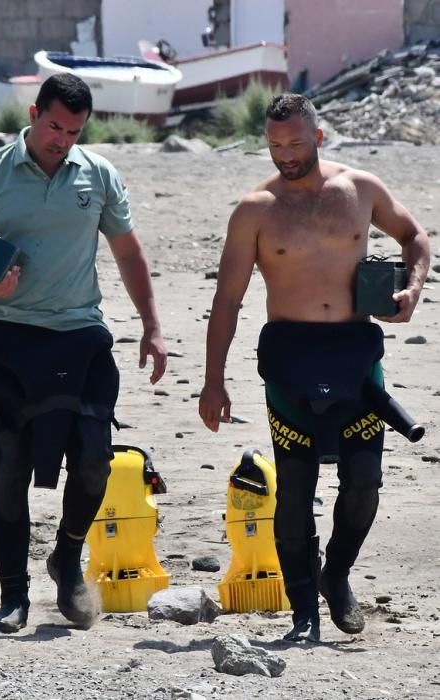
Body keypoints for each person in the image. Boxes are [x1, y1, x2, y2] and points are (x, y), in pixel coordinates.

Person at [0, 73, 167, 633]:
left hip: (81, 335)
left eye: (73, 131)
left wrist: (152, 325)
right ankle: (13, 598)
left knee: (94, 460)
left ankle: (66, 556)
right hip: (5, 337)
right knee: (11, 466)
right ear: (34, 112)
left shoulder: (99, 175)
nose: (62, 139)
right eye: (54, 126)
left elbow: (128, 252)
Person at [199, 93, 430, 641]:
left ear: (318, 136)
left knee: (364, 485)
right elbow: (227, 300)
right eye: (276, 145)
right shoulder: (255, 209)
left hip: (356, 355)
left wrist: (412, 291)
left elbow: (415, 238)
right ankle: (303, 609)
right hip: (290, 359)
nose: (286, 155)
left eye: (296, 143)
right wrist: (213, 380)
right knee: (295, 494)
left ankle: (337, 576)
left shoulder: (361, 189)